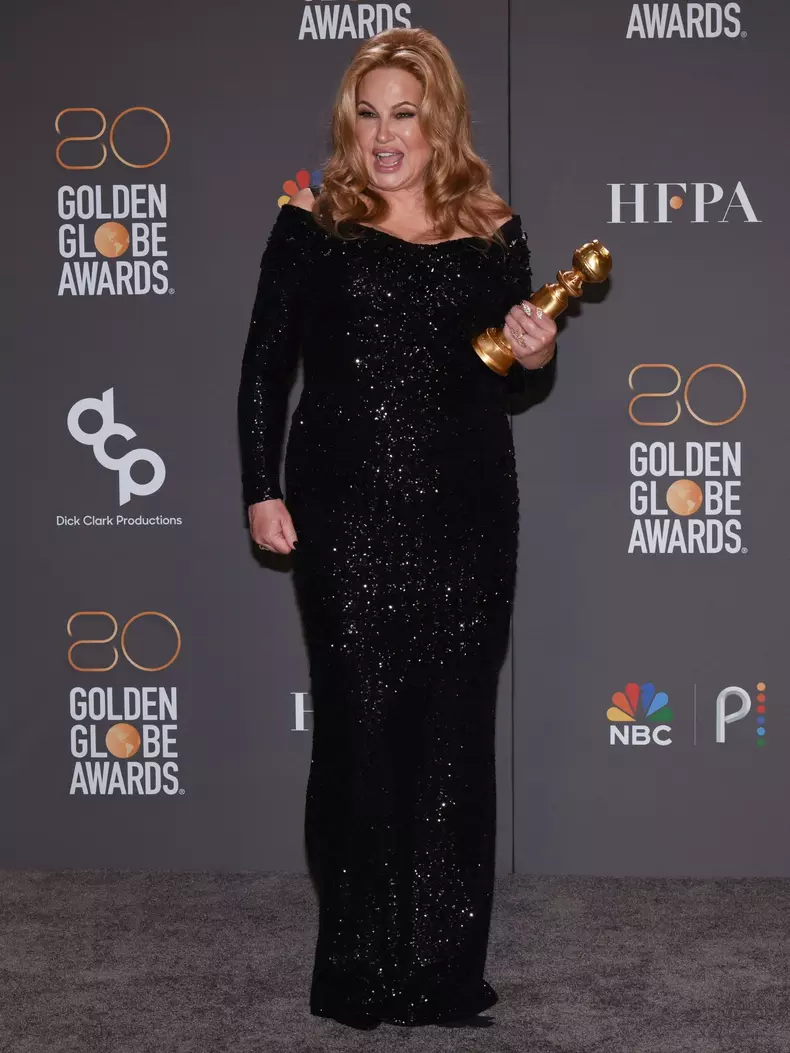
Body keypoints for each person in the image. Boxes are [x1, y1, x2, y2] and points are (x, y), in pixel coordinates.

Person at [237, 26, 557, 1031]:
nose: (384, 136)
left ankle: (441, 970)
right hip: (343, 516)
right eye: (367, 114)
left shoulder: (495, 232)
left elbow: (504, 376)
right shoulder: (310, 226)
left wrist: (534, 347)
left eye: (403, 115)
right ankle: (360, 969)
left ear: (439, 124)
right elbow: (263, 368)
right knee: (359, 735)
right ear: (350, 124)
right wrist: (260, 486)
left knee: (454, 740)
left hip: (467, 515)